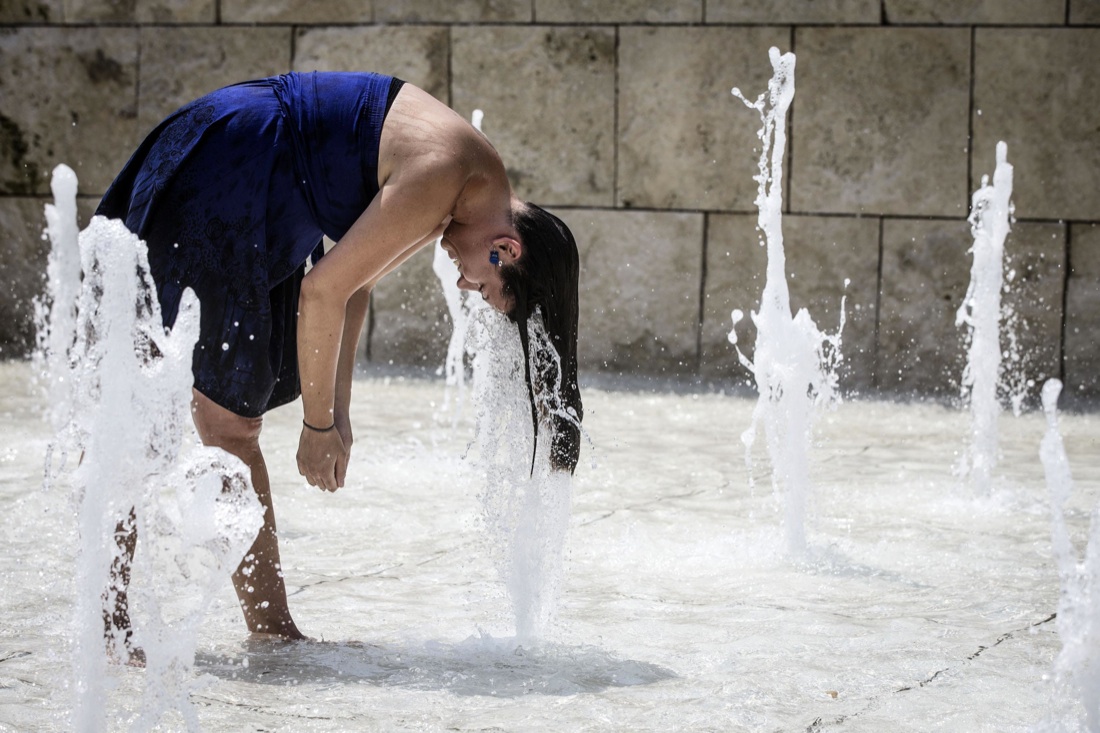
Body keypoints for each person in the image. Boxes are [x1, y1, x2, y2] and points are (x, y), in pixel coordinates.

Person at [95, 71, 583, 654]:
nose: (464, 282)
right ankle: (117, 623)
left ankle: (258, 630)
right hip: (239, 163)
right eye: (483, 287)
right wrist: (316, 424)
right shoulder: (447, 173)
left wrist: (339, 413)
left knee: (219, 419)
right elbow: (321, 293)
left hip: (265, 180)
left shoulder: (466, 187)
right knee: (196, 412)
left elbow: (356, 288)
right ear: (507, 249)